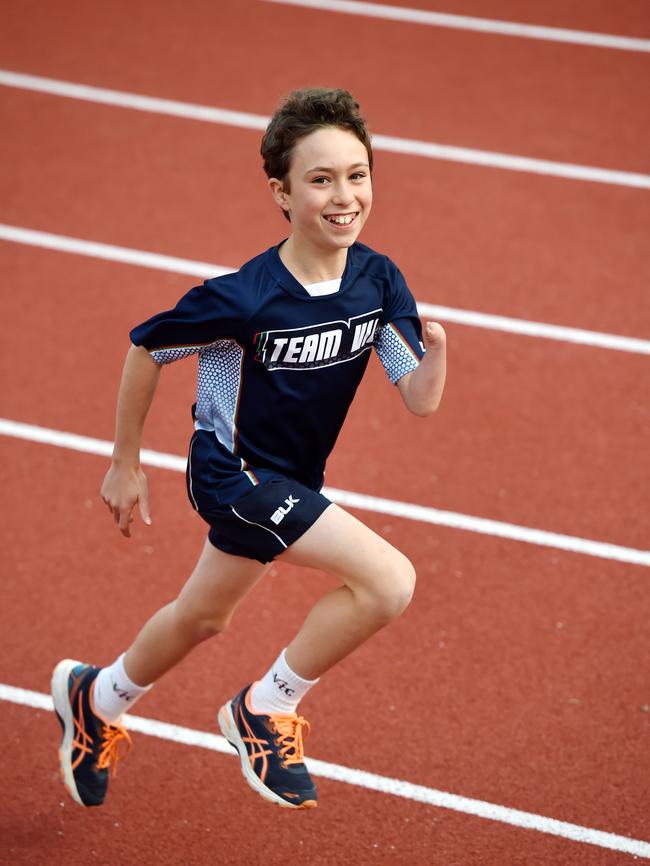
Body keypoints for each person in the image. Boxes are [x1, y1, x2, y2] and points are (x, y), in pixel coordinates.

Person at [51, 87, 447, 810]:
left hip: (294, 479)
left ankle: (95, 697)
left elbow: (417, 398)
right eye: (321, 178)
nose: (344, 194)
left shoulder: (377, 279)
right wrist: (125, 461)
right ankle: (264, 708)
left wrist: (436, 358)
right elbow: (147, 349)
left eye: (357, 174)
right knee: (389, 581)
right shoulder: (243, 298)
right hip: (235, 478)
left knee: (202, 618)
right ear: (281, 191)